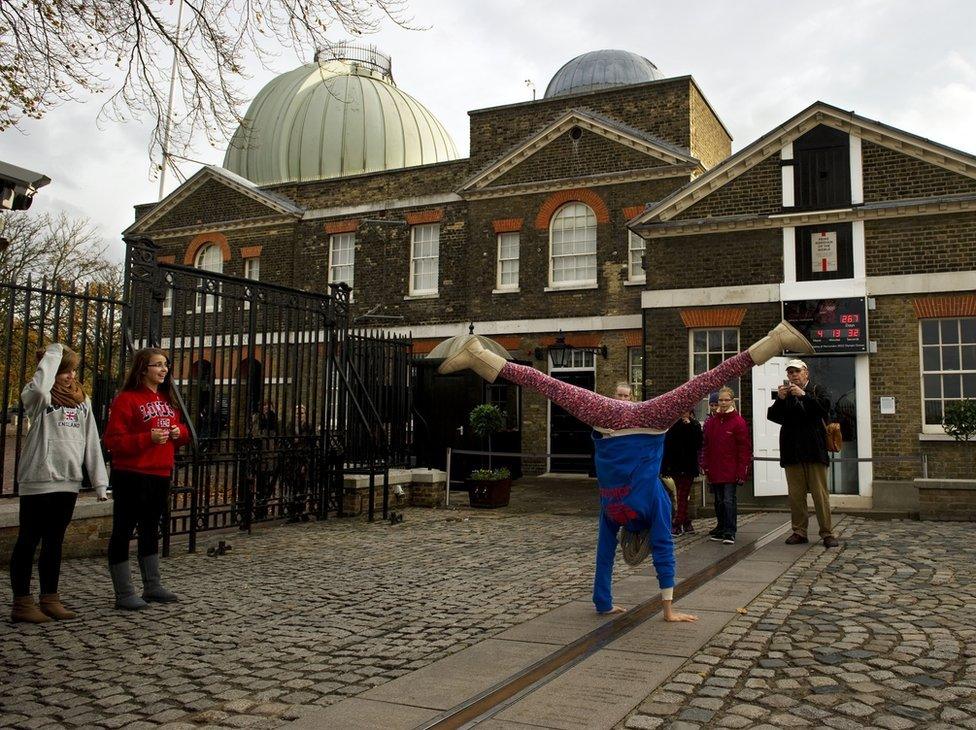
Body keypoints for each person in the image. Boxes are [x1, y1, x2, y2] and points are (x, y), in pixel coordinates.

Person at [439, 321, 813, 621]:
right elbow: (617, 555)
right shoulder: (616, 510)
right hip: (629, 421)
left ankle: (480, 357)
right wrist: (662, 610)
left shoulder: (643, 508)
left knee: (701, 383)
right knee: (554, 386)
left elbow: (657, 552)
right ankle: (480, 357)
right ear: (630, 538)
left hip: (628, 420)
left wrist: (652, 606)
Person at [9, 344, 109, 623]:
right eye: (64, 371)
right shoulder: (36, 396)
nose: (70, 376)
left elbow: (91, 440)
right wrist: (53, 354)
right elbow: (41, 389)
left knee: (55, 540)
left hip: (68, 480)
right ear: (51, 370)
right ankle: (22, 602)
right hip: (40, 478)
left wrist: (100, 483)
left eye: (73, 370)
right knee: (29, 539)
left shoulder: (82, 400)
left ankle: (50, 598)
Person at [103, 348, 188, 610]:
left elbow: (185, 431)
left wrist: (178, 432)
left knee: (152, 528)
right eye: (158, 365)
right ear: (143, 369)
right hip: (131, 474)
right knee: (124, 529)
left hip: (160, 472)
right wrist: (146, 439)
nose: (164, 370)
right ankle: (124, 591)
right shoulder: (126, 400)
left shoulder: (167, 399)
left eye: (165, 365)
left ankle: (152, 584)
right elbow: (112, 441)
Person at [767, 359, 839, 548]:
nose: (793, 376)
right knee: (796, 496)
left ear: (806, 373)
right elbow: (773, 417)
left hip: (815, 451)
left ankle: (827, 533)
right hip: (792, 452)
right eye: (790, 372)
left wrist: (804, 395)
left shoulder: (817, 390)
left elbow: (824, 408)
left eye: (797, 372)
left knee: (820, 495)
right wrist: (780, 400)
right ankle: (799, 531)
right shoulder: (786, 395)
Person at [700, 387, 751, 545]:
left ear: (732, 401)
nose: (722, 403)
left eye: (726, 400)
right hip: (715, 468)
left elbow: (744, 448)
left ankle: (730, 531)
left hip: (731, 469)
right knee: (719, 500)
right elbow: (706, 445)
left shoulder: (738, 422)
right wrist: (704, 464)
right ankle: (721, 527)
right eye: (720, 400)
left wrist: (742, 470)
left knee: (729, 500)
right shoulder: (712, 422)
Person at [661, 409, 703, 536]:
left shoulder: (695, 425)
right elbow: (668, 446)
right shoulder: (672, 426)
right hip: (675, 466)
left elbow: (698, 444)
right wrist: (665, 467)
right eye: (682, 411)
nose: (684, 414)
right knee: (679, 494)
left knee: (683, 494)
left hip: (689, 466)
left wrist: (689, 426)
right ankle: (685, 522)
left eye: (686, 412)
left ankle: (677, 522)